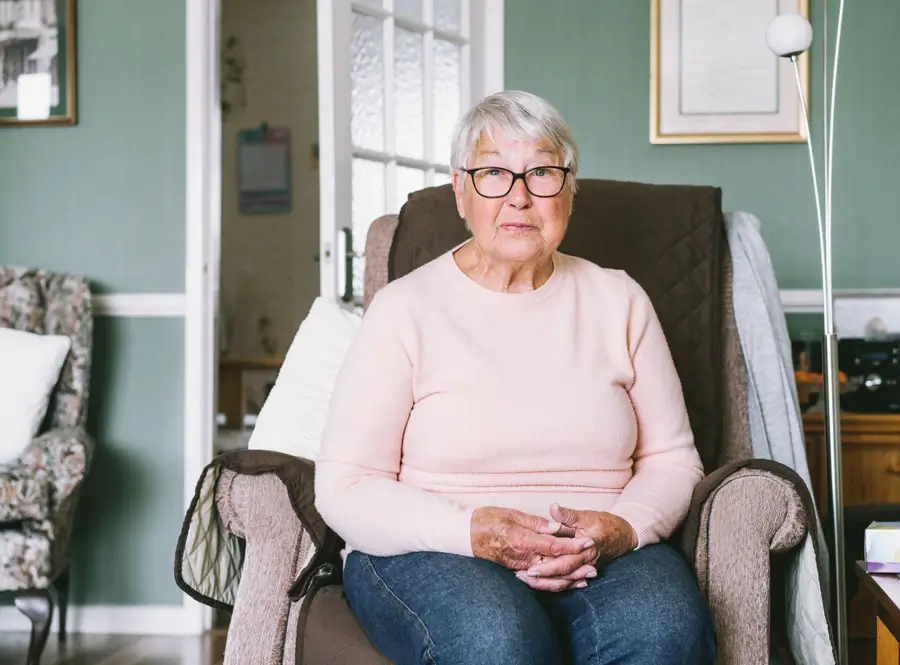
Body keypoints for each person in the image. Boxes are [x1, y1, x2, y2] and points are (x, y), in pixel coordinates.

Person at [315, 90, 716, 665]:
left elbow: (674, 460)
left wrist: (622, 528)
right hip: (434, 549)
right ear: (461, 192)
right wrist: (470, 531)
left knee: (663, 631)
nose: (520, 197)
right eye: (493, 174)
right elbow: (345, 485)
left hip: (599, 549)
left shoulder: (620, 299)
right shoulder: (405, 310)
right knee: (498, 641)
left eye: (542, 173)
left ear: (569, 190)